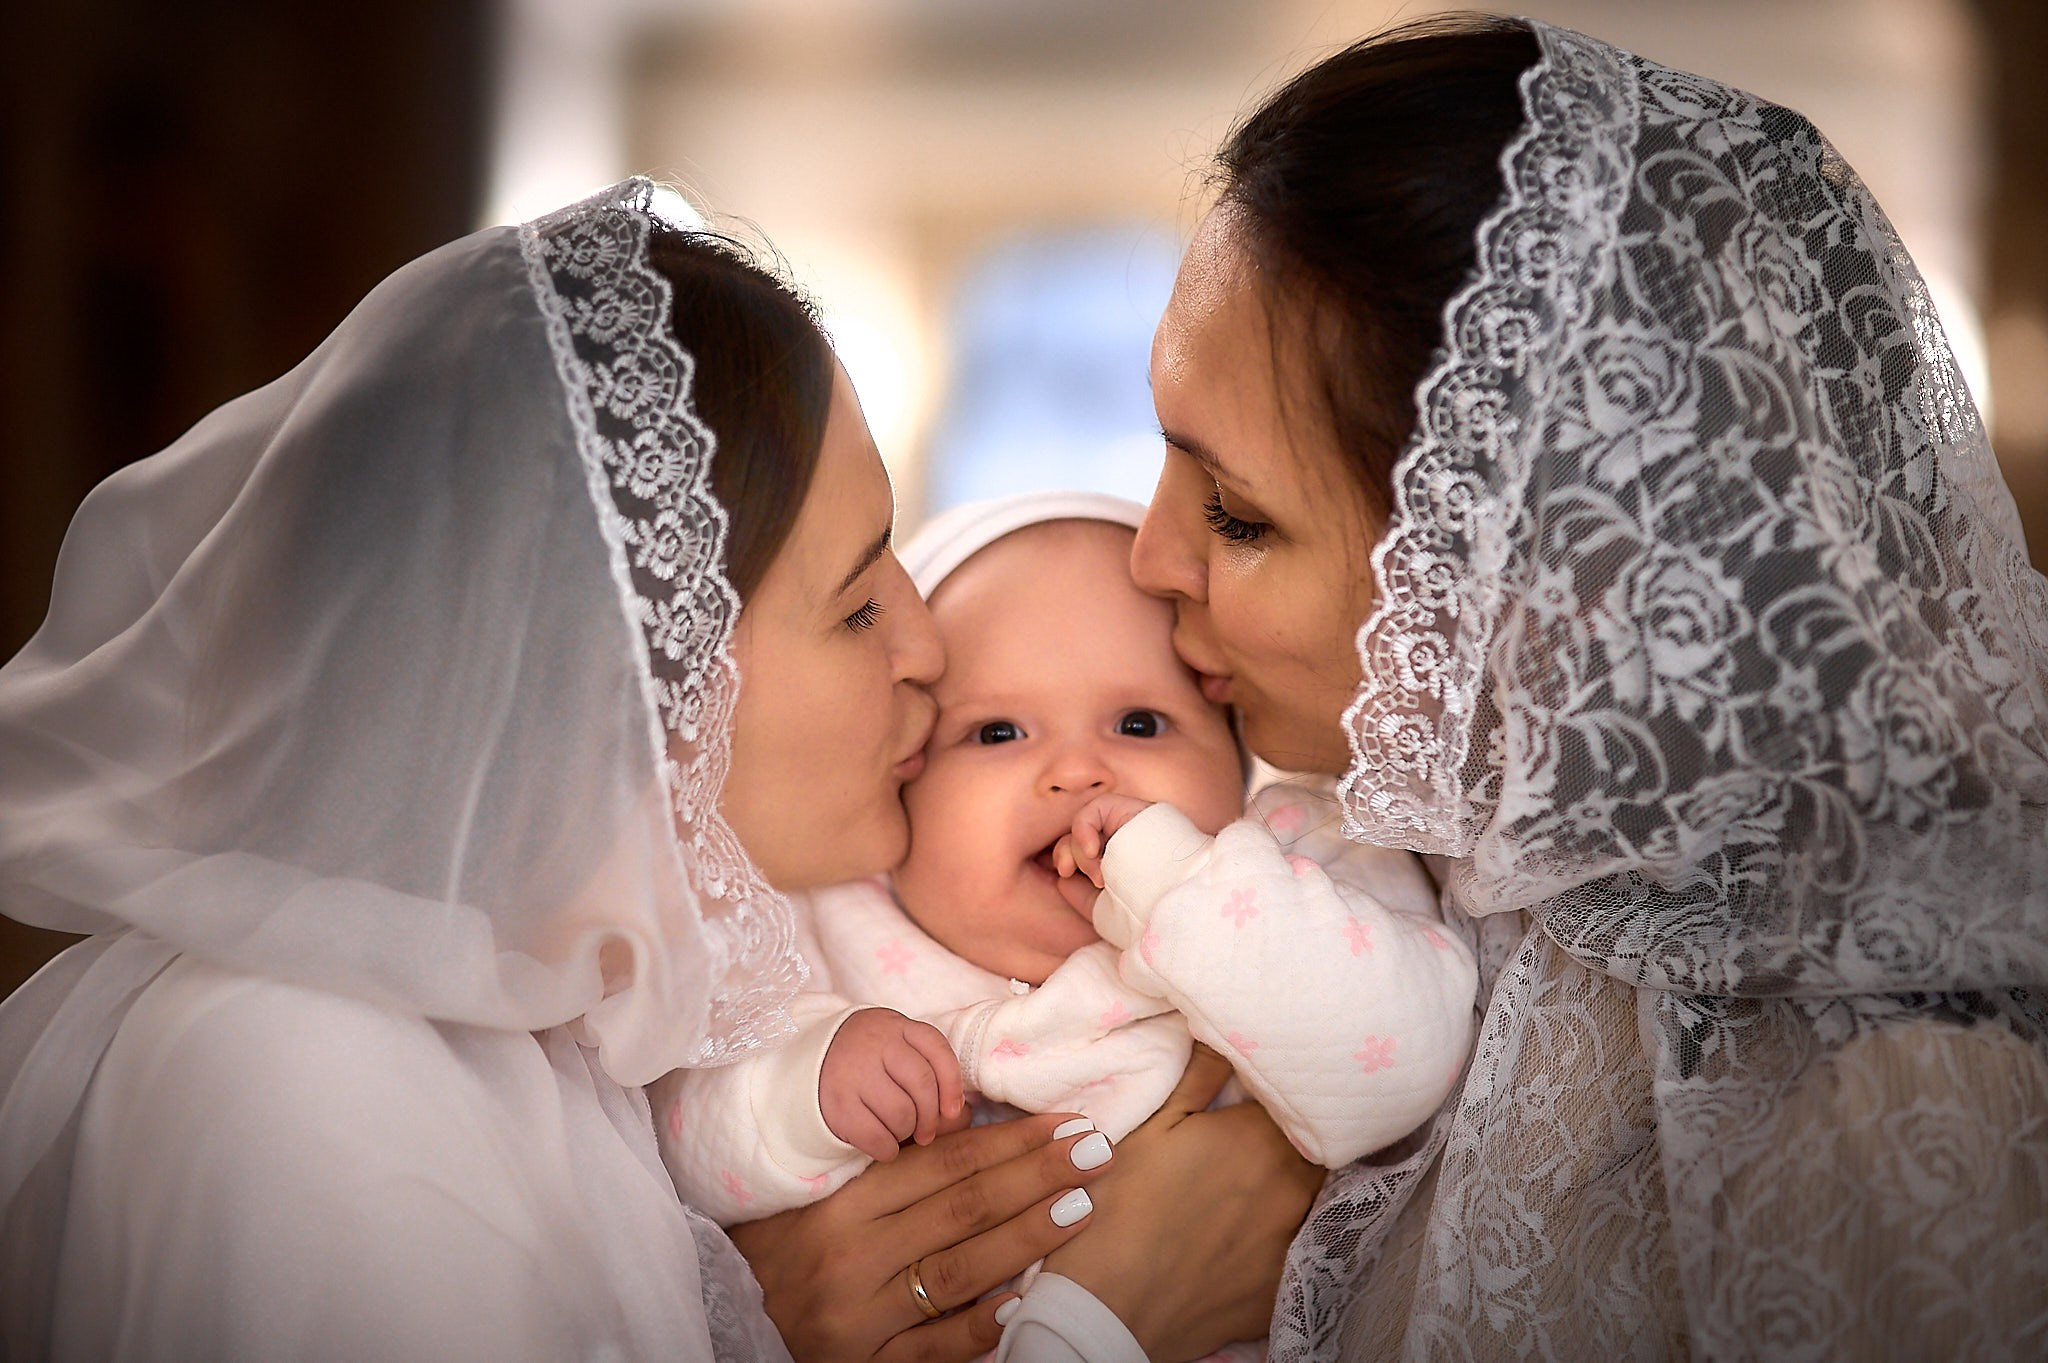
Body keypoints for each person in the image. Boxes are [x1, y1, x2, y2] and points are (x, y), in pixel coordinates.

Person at [0, 179, 1319, 1363]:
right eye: (860, 604)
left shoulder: (589, 1019)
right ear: (628, 679)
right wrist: (1110, 1317)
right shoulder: (297, 1090)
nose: (929, 647)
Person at [1136, 12, 2048, 1360]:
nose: (1148, 554)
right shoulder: (1356, 876)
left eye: (1237, 511)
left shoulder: (1904, 1103)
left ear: (1549, 579)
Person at [655, 491, 1477, 1359]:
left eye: (1139, 723)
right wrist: (800, 1090)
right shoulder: (830, 919)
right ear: (902, 787)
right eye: (999, 731)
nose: (1079, 770)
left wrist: (1178, 882)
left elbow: (1409, 1053)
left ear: (1235, 768)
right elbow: (686, 1132)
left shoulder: (1287, 866)